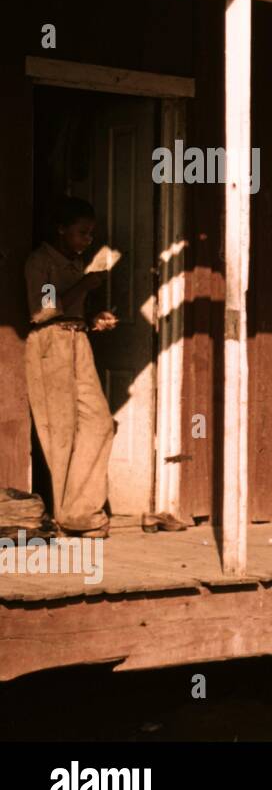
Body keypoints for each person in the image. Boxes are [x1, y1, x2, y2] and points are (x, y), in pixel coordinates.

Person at [24, 196, 118, 538]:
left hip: (77, 339)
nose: (87, 241)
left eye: (91, 235)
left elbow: (70, 307)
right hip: (51, 342)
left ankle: (80, 510)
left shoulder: (74, 263)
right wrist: (85, 284)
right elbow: (45, 310)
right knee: (60, 431)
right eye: (82, 233)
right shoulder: (43, 263)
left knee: (100, 423)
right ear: (61, 230)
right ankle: (71, 516)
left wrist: (95, 319)